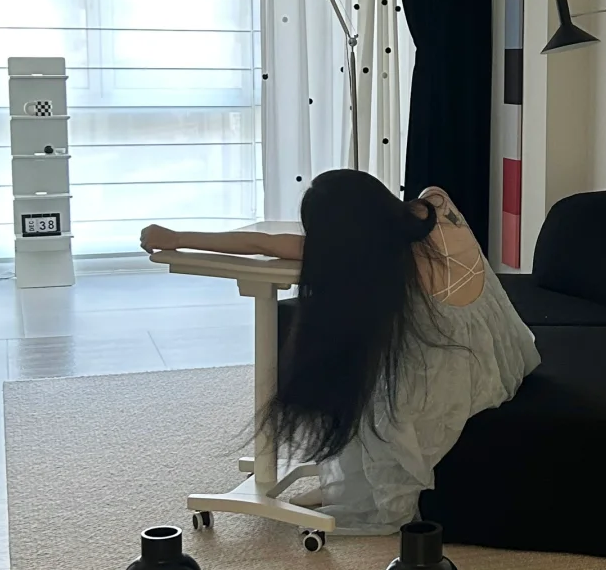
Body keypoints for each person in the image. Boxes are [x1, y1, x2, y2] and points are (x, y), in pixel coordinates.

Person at [140, 171, 540, 534]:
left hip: (455, 370)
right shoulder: (435, 200)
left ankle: (353, 492)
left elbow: (263, 244)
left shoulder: (373, 251)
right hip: (500, 347)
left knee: (375, 400)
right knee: (374, 380)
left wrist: (177, 238)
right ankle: (342, 484)